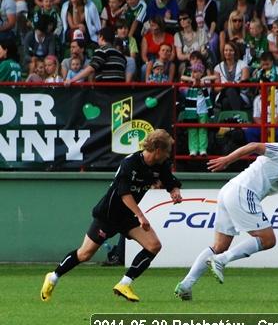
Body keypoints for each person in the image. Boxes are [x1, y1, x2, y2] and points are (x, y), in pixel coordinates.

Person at [174, 130, 278, 300]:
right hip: (243, 192)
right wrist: (227, 160)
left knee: (219, 246)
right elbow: (254, 146)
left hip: (231, 191)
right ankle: (221, 260)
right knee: (268, 240)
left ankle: (186, 285)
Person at [41, 129, 183, 302]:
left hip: (127, 216)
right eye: (167, 150)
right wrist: (141, 216)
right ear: (158, 149)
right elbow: (124, 194)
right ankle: (53, 277)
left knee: (153, 245)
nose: (168, 155)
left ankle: (124, 284)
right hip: (109, 214)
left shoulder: (160, 165)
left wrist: (174, 191)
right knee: (85, 254)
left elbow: (170, 182)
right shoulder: (130, 163)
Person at [214, 41, 251, 110]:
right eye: (226, 50)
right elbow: (216, 89)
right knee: (229, 90)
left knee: (226, 100)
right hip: (222, 94)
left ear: (235, 52)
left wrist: (233, 84)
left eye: (231, 50)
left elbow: (244, 85)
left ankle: (230, 118)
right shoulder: (217, 67)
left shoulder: (243, 65)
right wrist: (225, 85)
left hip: (239, 94)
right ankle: (238, 116)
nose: (228, 53)